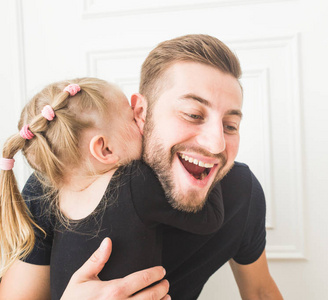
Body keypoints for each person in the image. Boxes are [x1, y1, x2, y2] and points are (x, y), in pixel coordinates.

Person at [5, 34, 283, 299]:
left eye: (230, 126)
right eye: (193, 114)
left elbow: (260, 292)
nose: (216, 145)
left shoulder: (241, 191)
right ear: (140, 113)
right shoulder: (62, 178)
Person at [0, 77, 225, 299]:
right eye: (132, 117)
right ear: (105, 149)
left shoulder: (53, 195)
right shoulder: (135, 182)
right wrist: (203, 158)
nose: (142, 120)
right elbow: (211, 218)